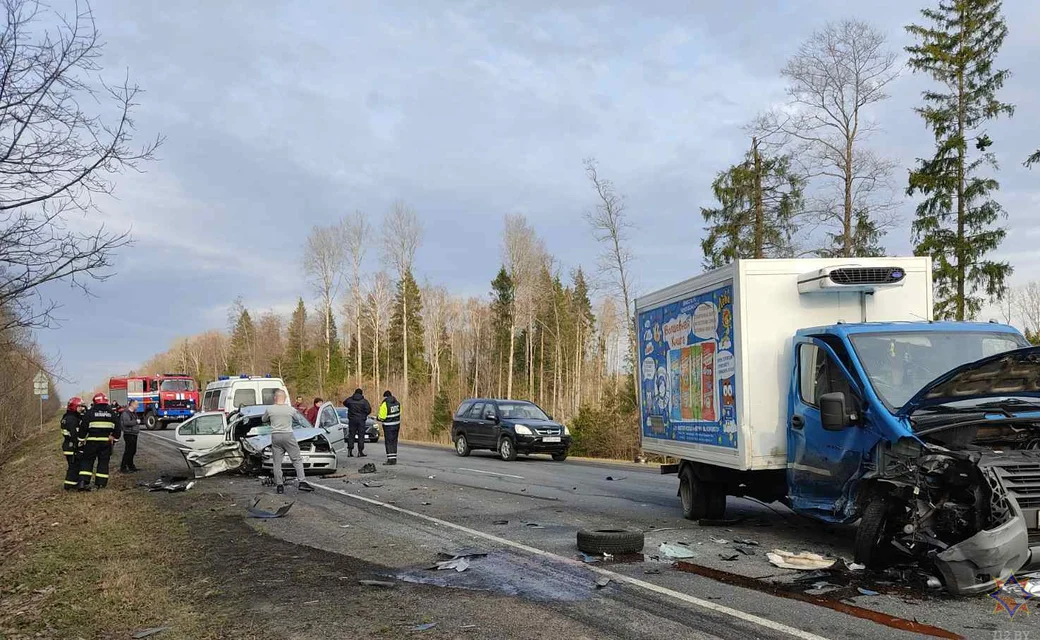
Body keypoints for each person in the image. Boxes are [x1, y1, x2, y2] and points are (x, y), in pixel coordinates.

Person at [262, 389, 314, 494]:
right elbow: (299, 420)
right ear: (285, 398)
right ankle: (302, 482)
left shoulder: (270, 409)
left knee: (277, 463)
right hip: (288, 435)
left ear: (275, 398)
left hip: (276, 436)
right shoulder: (290, 409)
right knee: (297, 459)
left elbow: (263, 419)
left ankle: (279, 485)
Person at [76, 392, 121, 490]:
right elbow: (118, 428)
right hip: (106, 442)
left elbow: (83, 427)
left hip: (92, 442)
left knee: (87, 461)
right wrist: (115, 438)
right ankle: (101, 484)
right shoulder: (111, 413)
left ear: (95, 402)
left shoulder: (90, 412)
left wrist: (81, 440)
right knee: (103, 463)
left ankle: (83, 482)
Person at [60, 397, 87, 490]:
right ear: (74, 406)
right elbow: (74, 435)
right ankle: (70, 485)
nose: (82, 408)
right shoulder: (72, 419)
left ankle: (73, 483)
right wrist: (79, 445)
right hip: (72, 447)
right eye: (80, 406)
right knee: (74, 466)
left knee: (74, 466)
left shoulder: (68, 417)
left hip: (69, 446)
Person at [342, 388, 371, 458]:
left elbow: (344, 402)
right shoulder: (364, 401)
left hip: (352, 420)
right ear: (361, 394)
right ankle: (360, 452)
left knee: (351, 435)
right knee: (361, 436)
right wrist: (364, 415)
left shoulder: (350, 400)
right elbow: (369, 410)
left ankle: (350, 451)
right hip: (361, 420)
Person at [376, 390, 401, 466]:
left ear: (385, 396)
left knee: (389, 442)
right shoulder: (397, 403)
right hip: (396, 425)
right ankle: (394, 458)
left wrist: (378, 418)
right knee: (394, 442)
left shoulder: (385, 404)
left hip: (388, 426)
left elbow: (382, 417)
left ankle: (390, 459)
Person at [119, 399, 142, 473]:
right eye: (136, 404)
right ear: (132, 404)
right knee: (128, 451)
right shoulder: (126, 413)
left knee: (133, 451)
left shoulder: (134, 413)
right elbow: (126, 423)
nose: (138, 406)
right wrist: (136, 422)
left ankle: (131, 466)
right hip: (129, 434)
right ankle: (123, 467)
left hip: (134, 433)